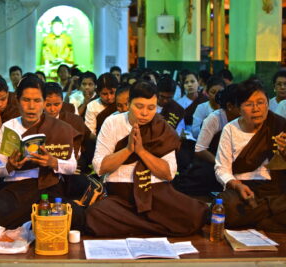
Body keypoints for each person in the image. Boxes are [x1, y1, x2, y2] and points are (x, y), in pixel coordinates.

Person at [86, 81, 208, 237]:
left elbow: (169, 173)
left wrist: (141, 151)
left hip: (155, 192)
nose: (145, 113)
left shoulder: (161, 127)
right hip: (121, 195)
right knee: (95, 215)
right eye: (139, 106)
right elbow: (100, 167)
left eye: (151, 108)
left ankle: (137, 225)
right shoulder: (112, 123)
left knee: (195, 215)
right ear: (129, 103)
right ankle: (159, 226)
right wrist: (128, 149)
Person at [0, 75, 80, 229]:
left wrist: (52, 162)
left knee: (78, 216)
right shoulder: (9, 127)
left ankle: (30, 225)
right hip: (16, 189)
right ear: (17, 101)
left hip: (47, 187)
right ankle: (33, 225)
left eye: (37, 101)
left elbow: (72, 167)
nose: (31, 106)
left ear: (43, 103)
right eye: (26, 100)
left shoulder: (59, 127)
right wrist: (10, 166)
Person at [215, 79, 286, 232]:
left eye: (260, 102)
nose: (256, 109)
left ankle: (257, 218)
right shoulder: (230, 130)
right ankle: (268, 219)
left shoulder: (279, 125)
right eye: (248, 104)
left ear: (268, 104)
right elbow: (221, 169)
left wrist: (284, 152)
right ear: (238, 108)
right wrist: (237, 185)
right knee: (228, 207)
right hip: (242, 188)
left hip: (275, 189)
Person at [173, 84, 240, 195]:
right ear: (230, 106)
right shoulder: (214, 118)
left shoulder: (245, 118)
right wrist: (222, 164)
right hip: (211, 163)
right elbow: (200, 150)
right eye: (243, 104)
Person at [43, 82, 91, 197]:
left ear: (62, 102)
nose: (52, 109)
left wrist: (67, 165)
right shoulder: (35, 120)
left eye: (57, 104)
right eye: (48, 105)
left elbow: (76, 150)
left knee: (80, 183)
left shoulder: (73, 120)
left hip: (69, 164)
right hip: (43, 167)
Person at [85, 73, 118, 138]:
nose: (109, 97)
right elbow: (90, 132)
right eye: (104, 94)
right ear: (98, 92)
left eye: (112, 93)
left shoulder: (122, 102)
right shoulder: (92, 106)